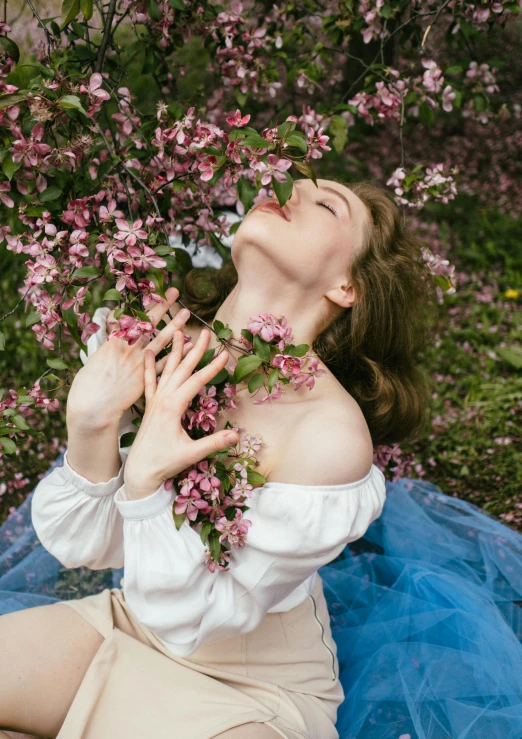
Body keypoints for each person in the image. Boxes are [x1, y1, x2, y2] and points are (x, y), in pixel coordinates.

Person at [1, 178, 521, 739]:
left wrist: (148, 481)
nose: (285, 191)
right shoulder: (153, 339)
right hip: (128, 626)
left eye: (324, 204)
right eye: (284, 182)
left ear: (348, 285)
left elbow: (195, 617)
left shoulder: (328, 434)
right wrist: (91, 425)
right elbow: (88, 547)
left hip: (250, 691)